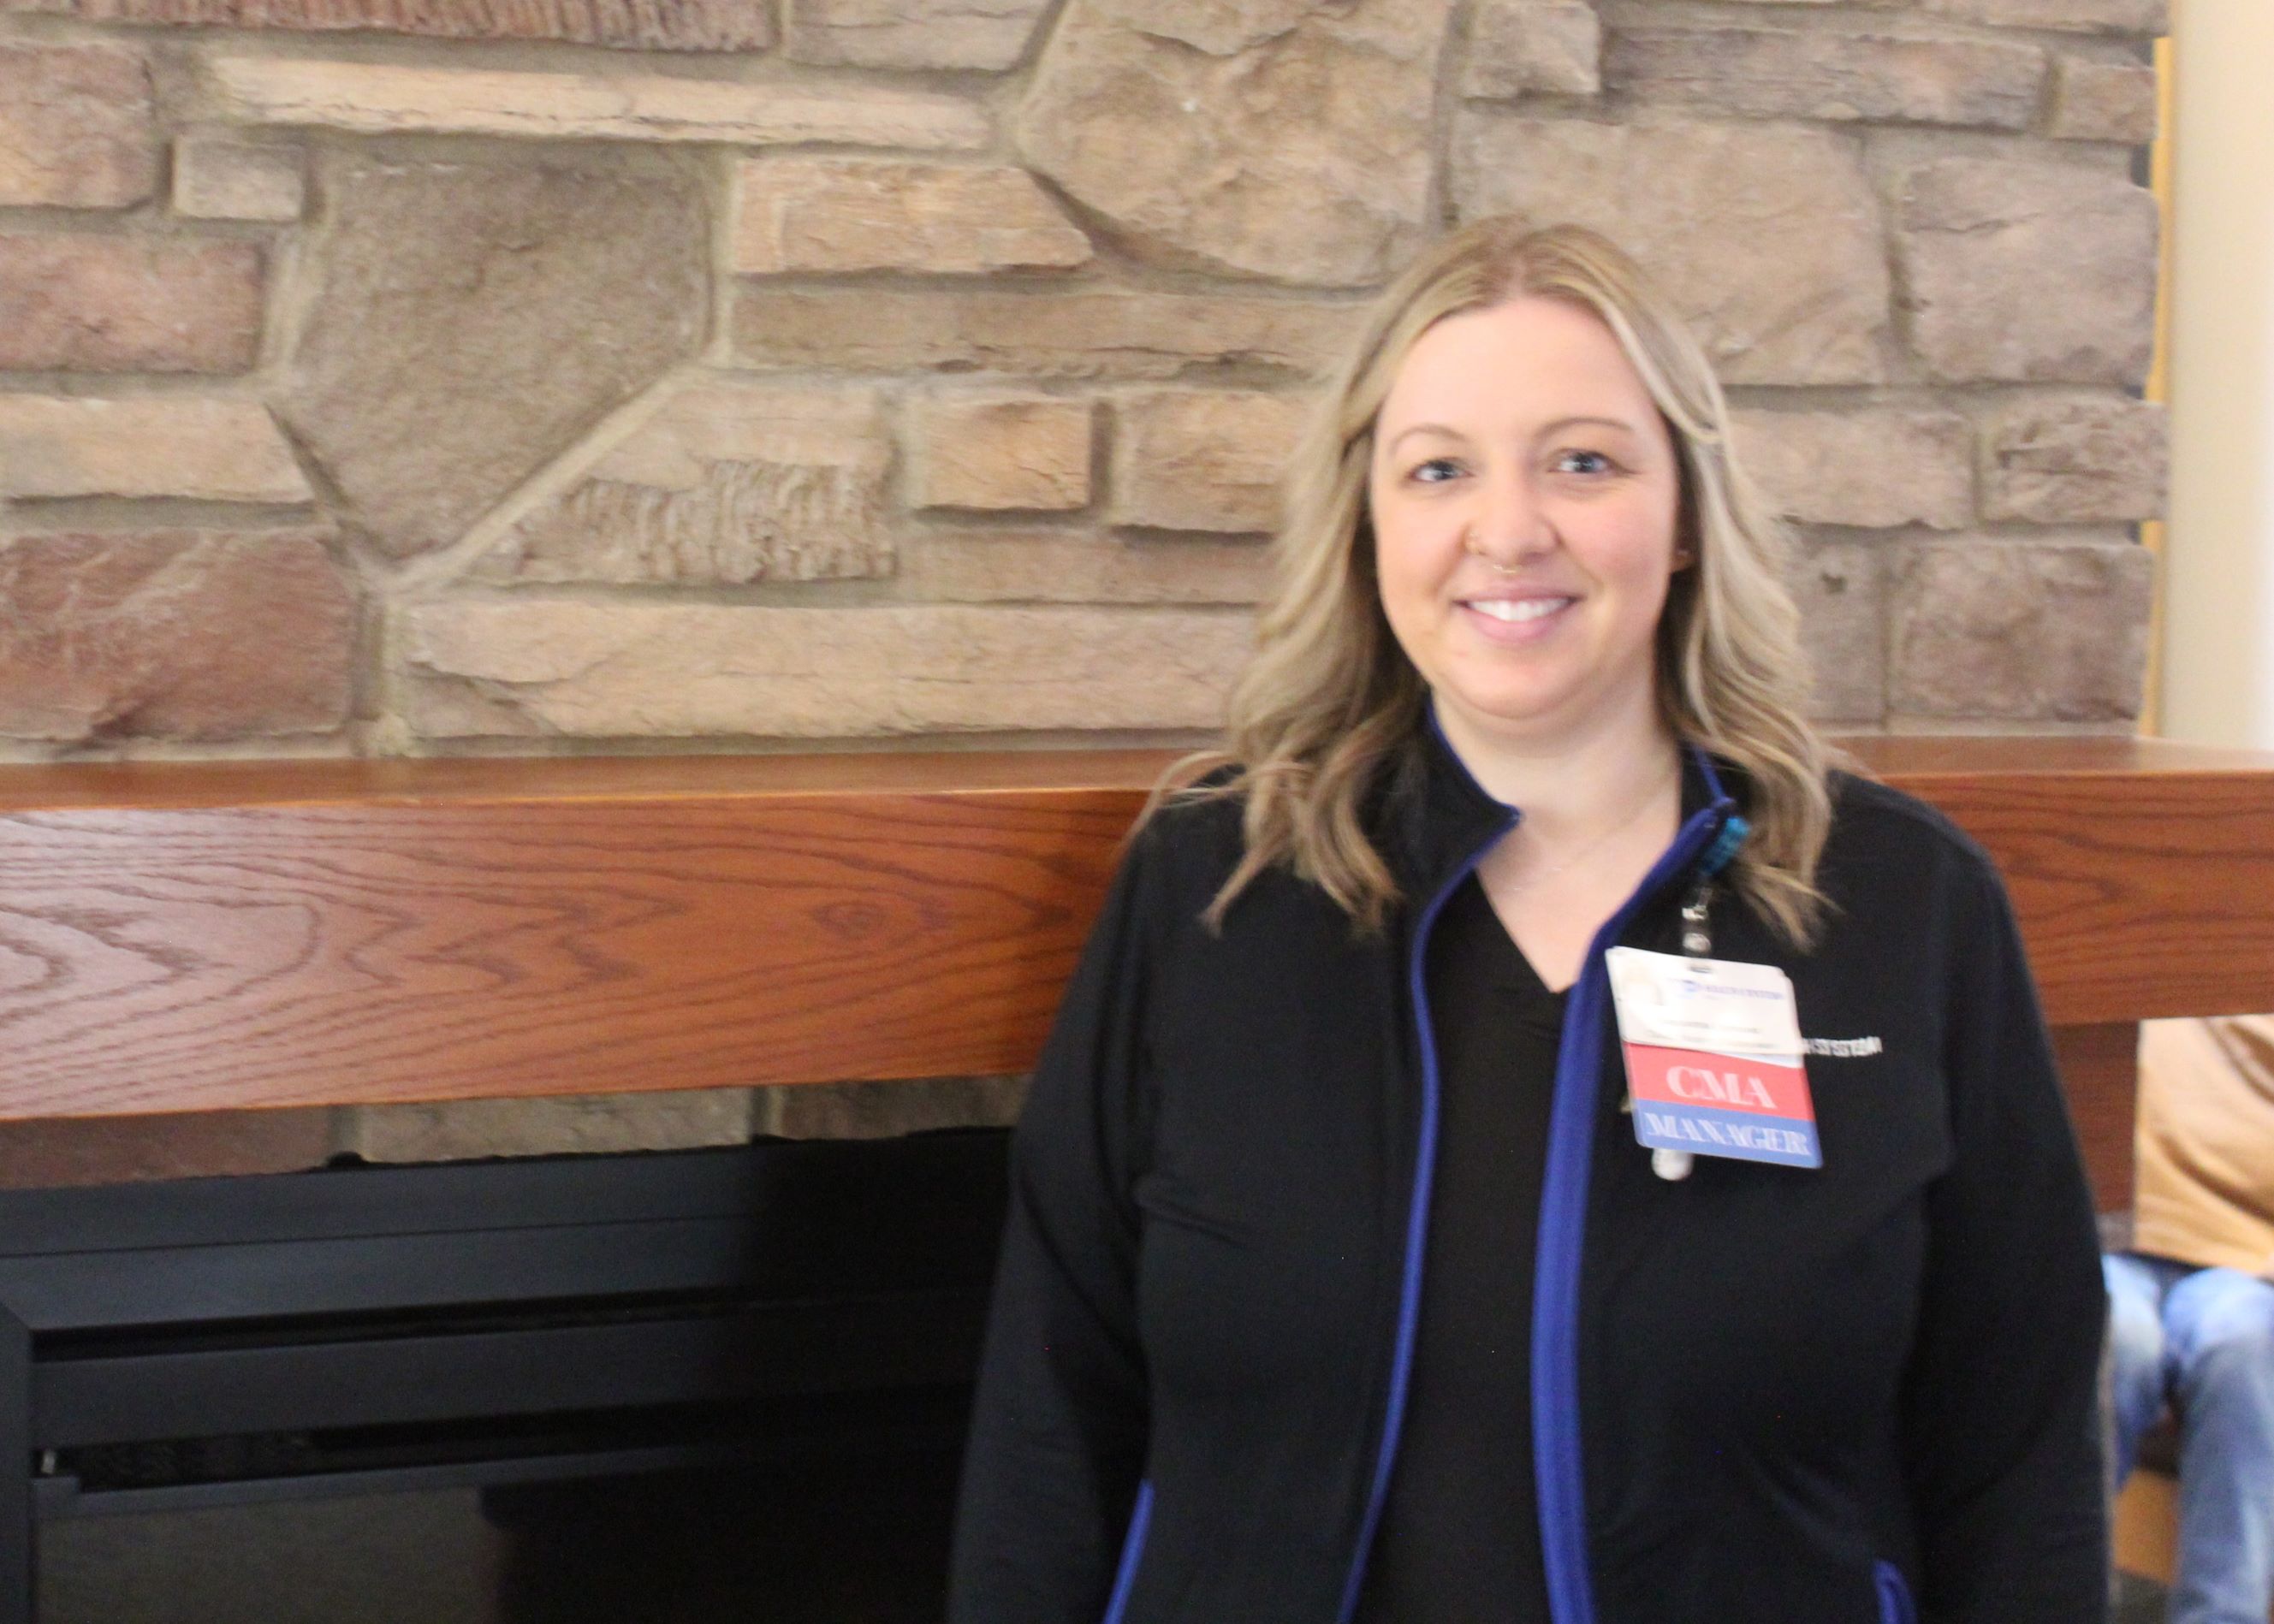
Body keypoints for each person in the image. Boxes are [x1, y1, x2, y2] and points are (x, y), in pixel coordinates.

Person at [947, 218, 2108, 1624]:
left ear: (1686, 515)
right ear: (1368, 523)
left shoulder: (1906, 905)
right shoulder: (1212, 887)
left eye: (1582, 462)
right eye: (1438, 468)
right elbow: (1049, 1410)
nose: (1506, 530)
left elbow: (2022, 1445)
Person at [2105, 1016, 2274, 1624]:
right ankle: (2054, 1595)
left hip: (2250, 1257)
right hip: (2110, 1239)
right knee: (2113, 1336)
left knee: (2247, 1342)